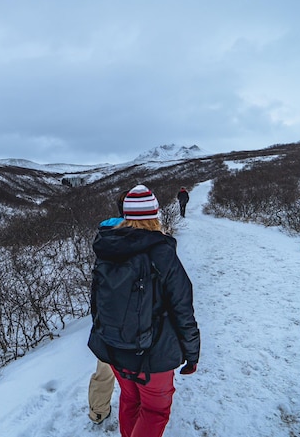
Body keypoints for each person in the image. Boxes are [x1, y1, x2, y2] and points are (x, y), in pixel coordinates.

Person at [88, 184, 200, 437]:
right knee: (155, 411)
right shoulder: (162, 253)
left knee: (130, 401)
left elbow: (95, 302)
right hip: (153, 356)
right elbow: (183, 310)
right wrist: (192, 354)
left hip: (114, 349)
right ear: (155, 215)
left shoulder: (107, 248)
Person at [88, 190, 128, 424]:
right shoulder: (151, 236)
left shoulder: (106, 237)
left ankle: (98, 411)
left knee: (105, 369)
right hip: (139, 319)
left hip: (109, 317)